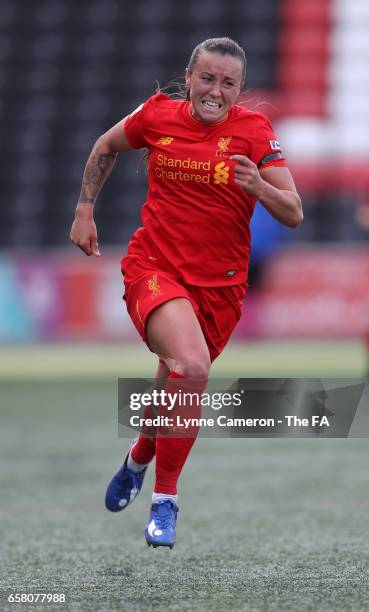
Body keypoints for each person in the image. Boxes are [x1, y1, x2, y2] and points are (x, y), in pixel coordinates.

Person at [70, 37, 303, 549]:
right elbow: (105, 145)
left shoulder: (254, 131)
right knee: (192, 367)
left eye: (227, 83)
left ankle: (137, 458)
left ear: (239, 90)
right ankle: (165, 500)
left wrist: (258, 187)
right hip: (153, 268)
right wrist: (85, 209)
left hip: (220, 287)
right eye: (207, 78)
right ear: (189, 76)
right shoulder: (156, 115)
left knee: (174, 379)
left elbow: (293, 211)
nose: (215, 91)